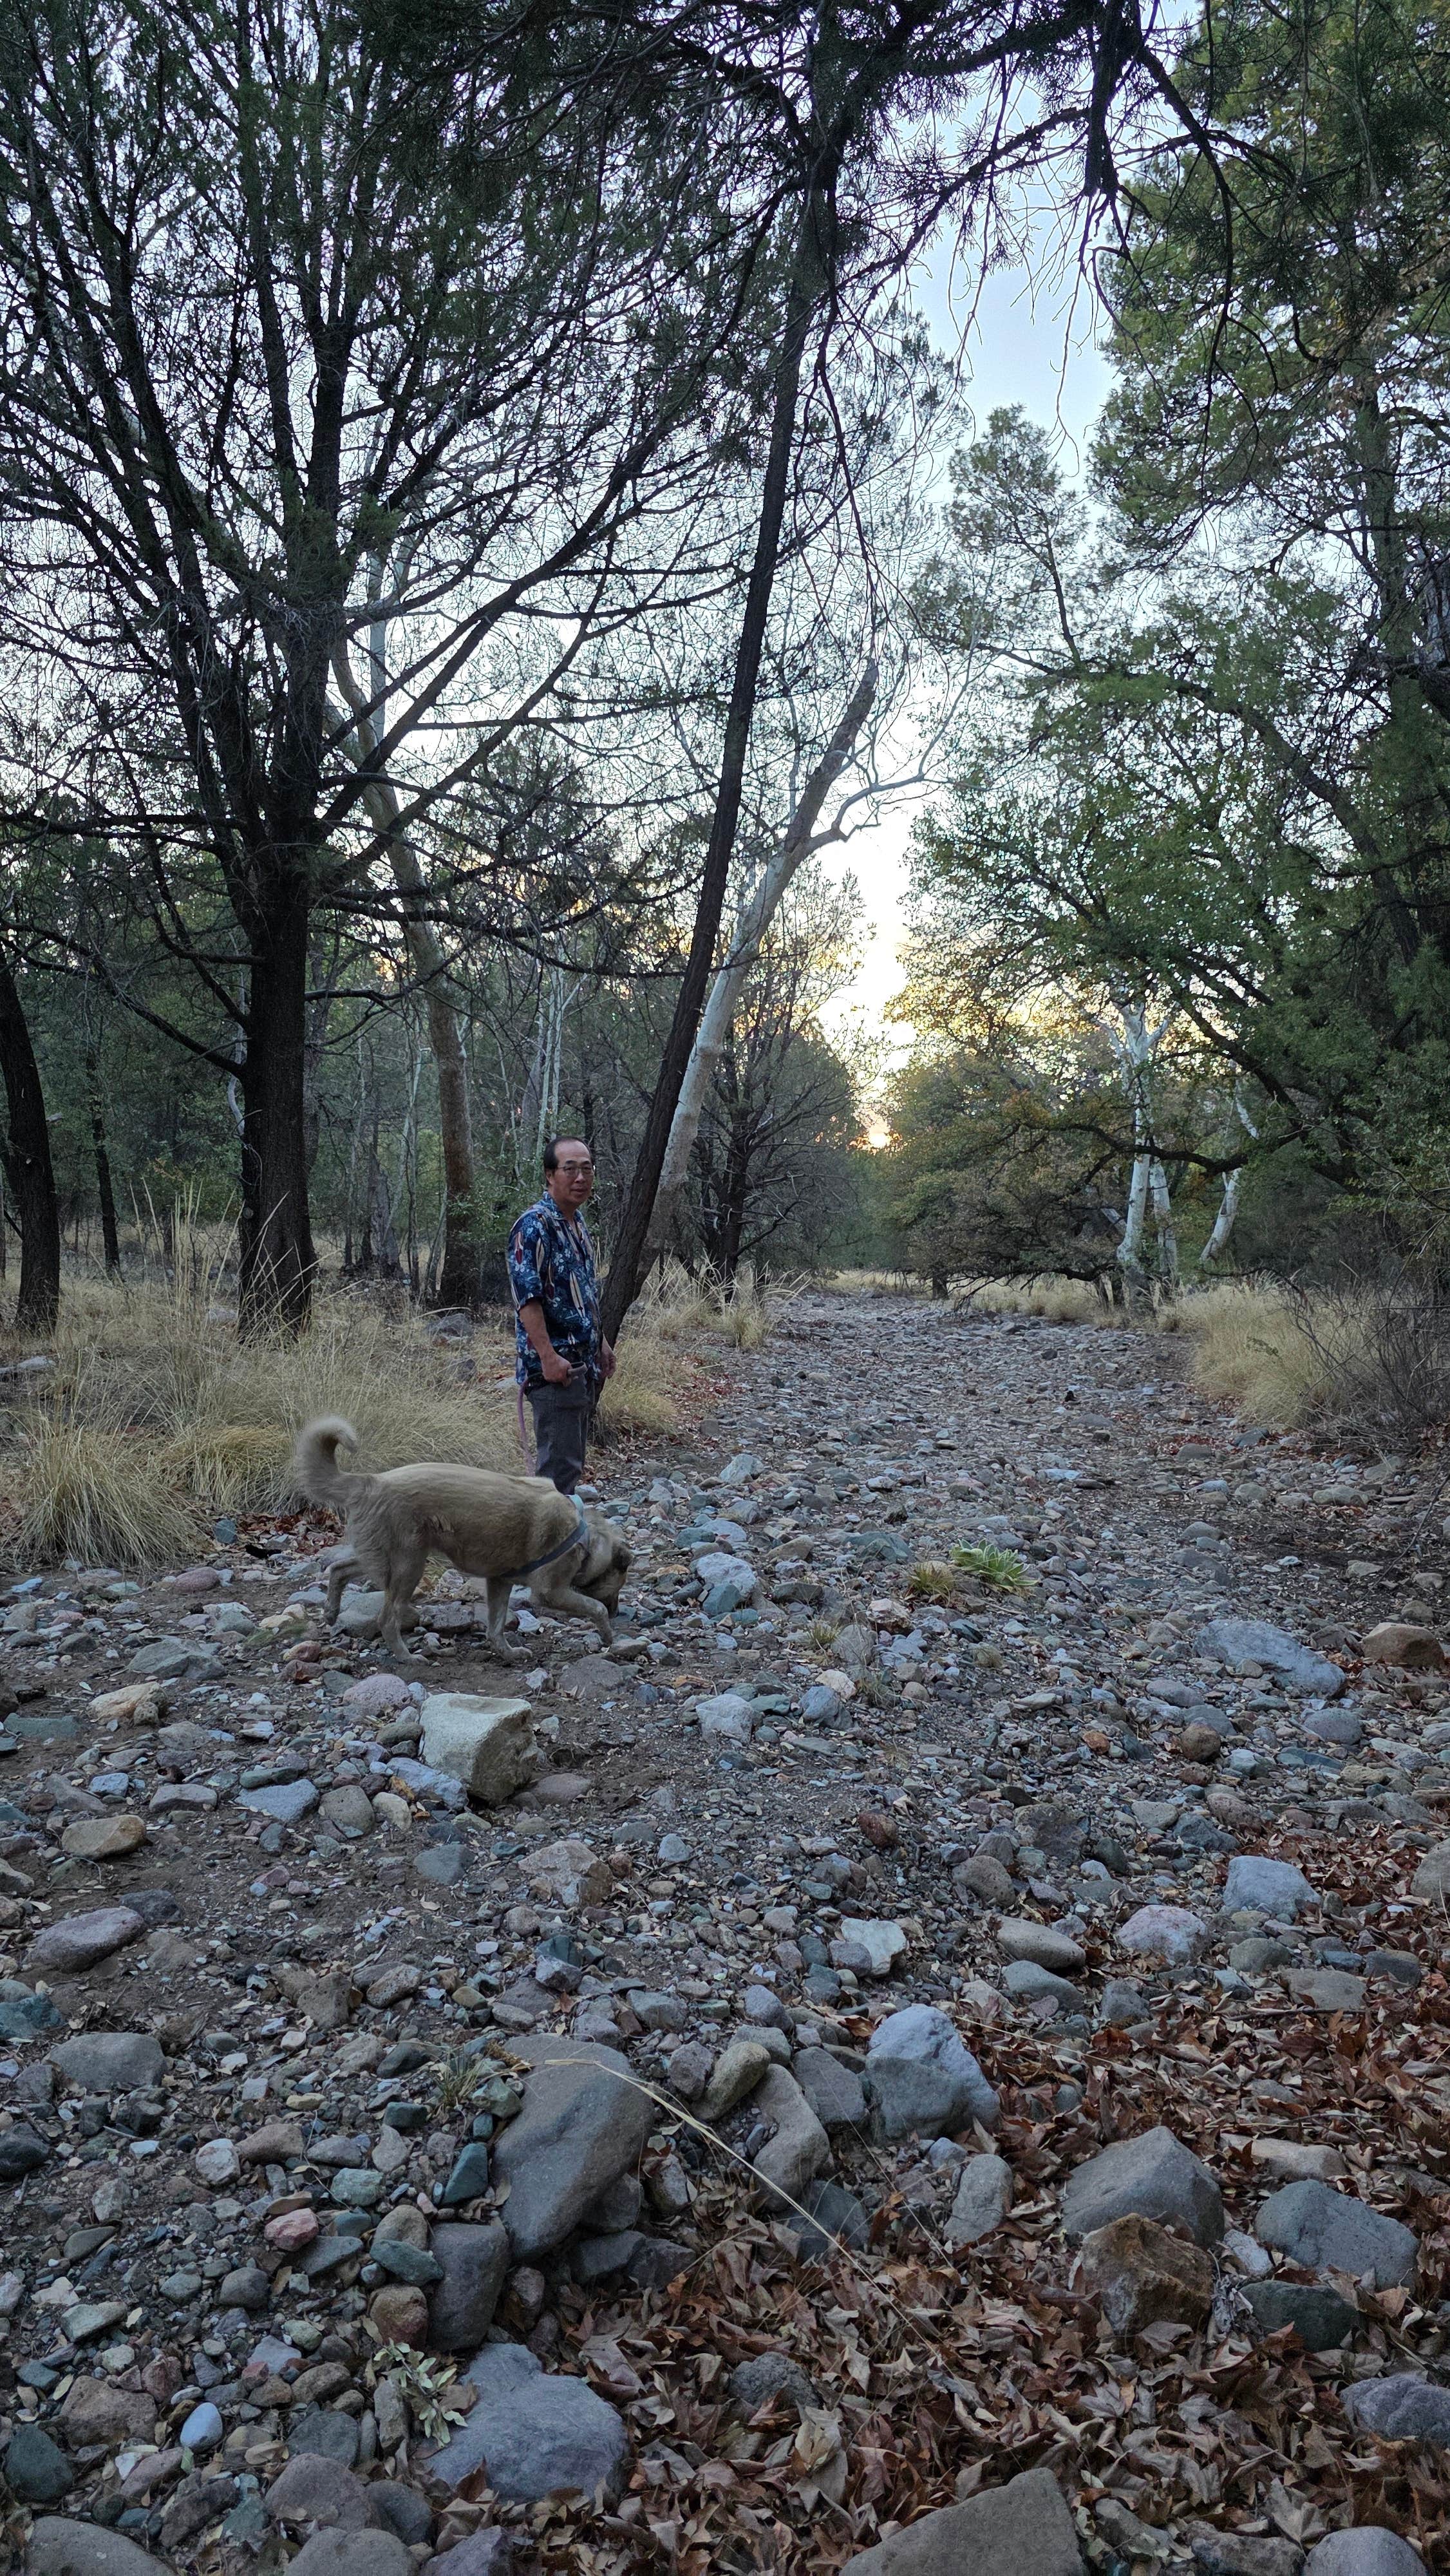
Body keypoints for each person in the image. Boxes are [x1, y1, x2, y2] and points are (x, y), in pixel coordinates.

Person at [506, 1136, 616, 1494]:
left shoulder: (577, 1223)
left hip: (582, 1367)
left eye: (587, 1169)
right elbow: (528, 1300)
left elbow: (582, 1293)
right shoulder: (534, 1226)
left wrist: (601, 1343)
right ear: (550, 1175)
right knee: (555, 1476)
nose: (580, 1177)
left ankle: (561, 1542)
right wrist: (547, 1357)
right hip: (555, 1373)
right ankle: (545, 1548)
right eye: (570, 1169)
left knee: (570, 1466)